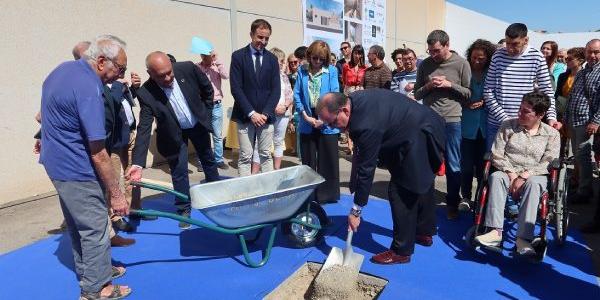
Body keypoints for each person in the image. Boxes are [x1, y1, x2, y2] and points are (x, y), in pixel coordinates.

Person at [40, 35, 132, 299]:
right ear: (101, 61)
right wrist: (116, 194)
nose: (118, 77)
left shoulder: (61, 70)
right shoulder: (89, 87)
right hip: (76, 168)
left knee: (79, 225)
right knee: (95, 228)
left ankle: (96, 270)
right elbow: (99, 152)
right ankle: (96, 289)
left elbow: (47, 113)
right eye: (120, 69)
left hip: (56, 164)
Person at [316, 89, 445, 264]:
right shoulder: (353, 100)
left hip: (418, 135)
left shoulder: (365, 124)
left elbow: (366, 169)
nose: (332, 128)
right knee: (422, 180)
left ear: (344, 110)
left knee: (400, 191)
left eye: (332, 122)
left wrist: (356, 210)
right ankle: (424, 231)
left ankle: (401, 251)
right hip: (421, 125)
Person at [127, 51, 220, 229]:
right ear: (150, 74)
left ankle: (215, 195)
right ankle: (184, 208)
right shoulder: (146, 93)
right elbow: (144, 128)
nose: (169, 77)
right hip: (173, 133)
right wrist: (138, 163)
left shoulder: (186, 68)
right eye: (162, 76)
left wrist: (206, 115)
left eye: (170, 71)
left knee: (208, 159)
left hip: (196, 124)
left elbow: (208, 89)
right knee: (178, 170)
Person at [474, 91, 560, 256]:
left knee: (535, 184)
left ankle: (523, 238)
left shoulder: (552, 134)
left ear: (540, 115)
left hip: (535, 174)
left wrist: (525, 176)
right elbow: (497, 153)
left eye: (526, 111)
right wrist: (512, 174)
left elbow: (549, 161)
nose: (519, 113)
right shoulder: (508, 125)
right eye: (520, 109)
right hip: (508, 170)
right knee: (496, 177)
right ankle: (495, 231)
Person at [414, 29, 472, 220]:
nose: (433, 55)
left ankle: (452, 203)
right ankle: (425, 201)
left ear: (447, 45)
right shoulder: (425, 65)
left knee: (454, 164)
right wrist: (429, 86)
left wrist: (449, 85)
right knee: (427, 162)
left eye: (437, 51)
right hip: (429, 120)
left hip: (452, 121)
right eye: (430, 51)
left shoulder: (461, 63)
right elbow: (416, 93)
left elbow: (468, 93)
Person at [484, 23, 560, 151]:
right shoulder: (498, 56)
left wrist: (552, 116)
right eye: (507, 43)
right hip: (497, 123)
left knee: (518, 166)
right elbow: (488, 91)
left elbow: (547, 91)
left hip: (524, 124)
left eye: (515, 44)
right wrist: (504, 119)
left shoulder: (536, 57)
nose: (509, 48)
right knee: (492, 163)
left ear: (526, 40)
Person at [229, 19, 281, 176]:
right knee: (245, 156)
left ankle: (268, 192)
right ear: (251, 34)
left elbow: (276, 90)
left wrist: (265, 113)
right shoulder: (238, 56)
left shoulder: (272, 59)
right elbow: (236, 88)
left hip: (266, 117)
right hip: (245, 116)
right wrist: (252, 113)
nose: (263, 42)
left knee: (266, 155)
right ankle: (246, 194)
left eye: (266, 38)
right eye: (260, 37)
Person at [294, 40, 340, 204]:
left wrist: (323, 119)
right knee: (308, 160)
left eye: (322, 59)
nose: (318, 62)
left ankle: (327, 195)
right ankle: (309, 194)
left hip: (326, 117)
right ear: (309, 56)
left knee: (328, 159)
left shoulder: (332, 71)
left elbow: (335, 95)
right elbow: (297, 94)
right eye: (315, 58)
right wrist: (305, 116)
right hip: (307, 117)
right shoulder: (302, 70)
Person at [460, 39, 496, 211]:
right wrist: (464, 103)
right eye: (474, 57)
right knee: (466, 166)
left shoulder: (492, 71)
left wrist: (485, 101)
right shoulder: (463, 69)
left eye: (481, 58)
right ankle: (465, 197)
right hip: (466, 126)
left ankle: (482, 198)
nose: (477, 61)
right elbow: (454, 92)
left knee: (483, 167)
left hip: (486, 127)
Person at [565, 39, 600, 205]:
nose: (592, 55)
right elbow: (572, 96)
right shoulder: (583, 71)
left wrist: (595, 121)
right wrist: (566, 117)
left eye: (596, 52)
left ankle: (584, 191)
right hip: (574, 119)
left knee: (583, 156)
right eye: (589, 52)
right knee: (578, 157)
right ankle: (581, 186)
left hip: (586, 122)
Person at [251, 47, 293, 171]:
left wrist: (285, 107)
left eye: (283, 61)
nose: (283, 63)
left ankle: (276, 169)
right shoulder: (264, 76)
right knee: (261, 143)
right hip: (268, 113)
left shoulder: (284, 76)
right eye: (281, 61)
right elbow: (261, 96)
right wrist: (273, 108)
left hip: (283, 114)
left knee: (279, 141)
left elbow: (290, 94)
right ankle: (254, 172)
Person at [197, 48, 230, 170]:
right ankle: (203, 161)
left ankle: (219, 159)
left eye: (208, 56)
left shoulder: (217, 66)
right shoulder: (197, 67)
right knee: (203, 134)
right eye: (203, 56)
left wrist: (218, 61)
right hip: (203, 105)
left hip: (216, 104)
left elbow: (226, 76)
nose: (205, 58)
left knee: (217, 134)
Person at [341, 44, 367, 155]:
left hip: (360, 92)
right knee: (348, 118)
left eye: (360, 53)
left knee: (358, 118)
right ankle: (349, 144)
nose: (358, 55)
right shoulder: (346, 66)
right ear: (352, 54)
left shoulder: (365, 67)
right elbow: (343, 79)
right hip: (349, 91)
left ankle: (357, 142)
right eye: (356, 53)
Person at [555, 47, 586, 121]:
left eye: (570, 59)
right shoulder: (563, 76)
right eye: (566, 59)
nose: (566, 61)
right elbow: (558, 94)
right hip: (561, 112)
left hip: (578, 115)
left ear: (580, 61)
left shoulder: (586, 76)